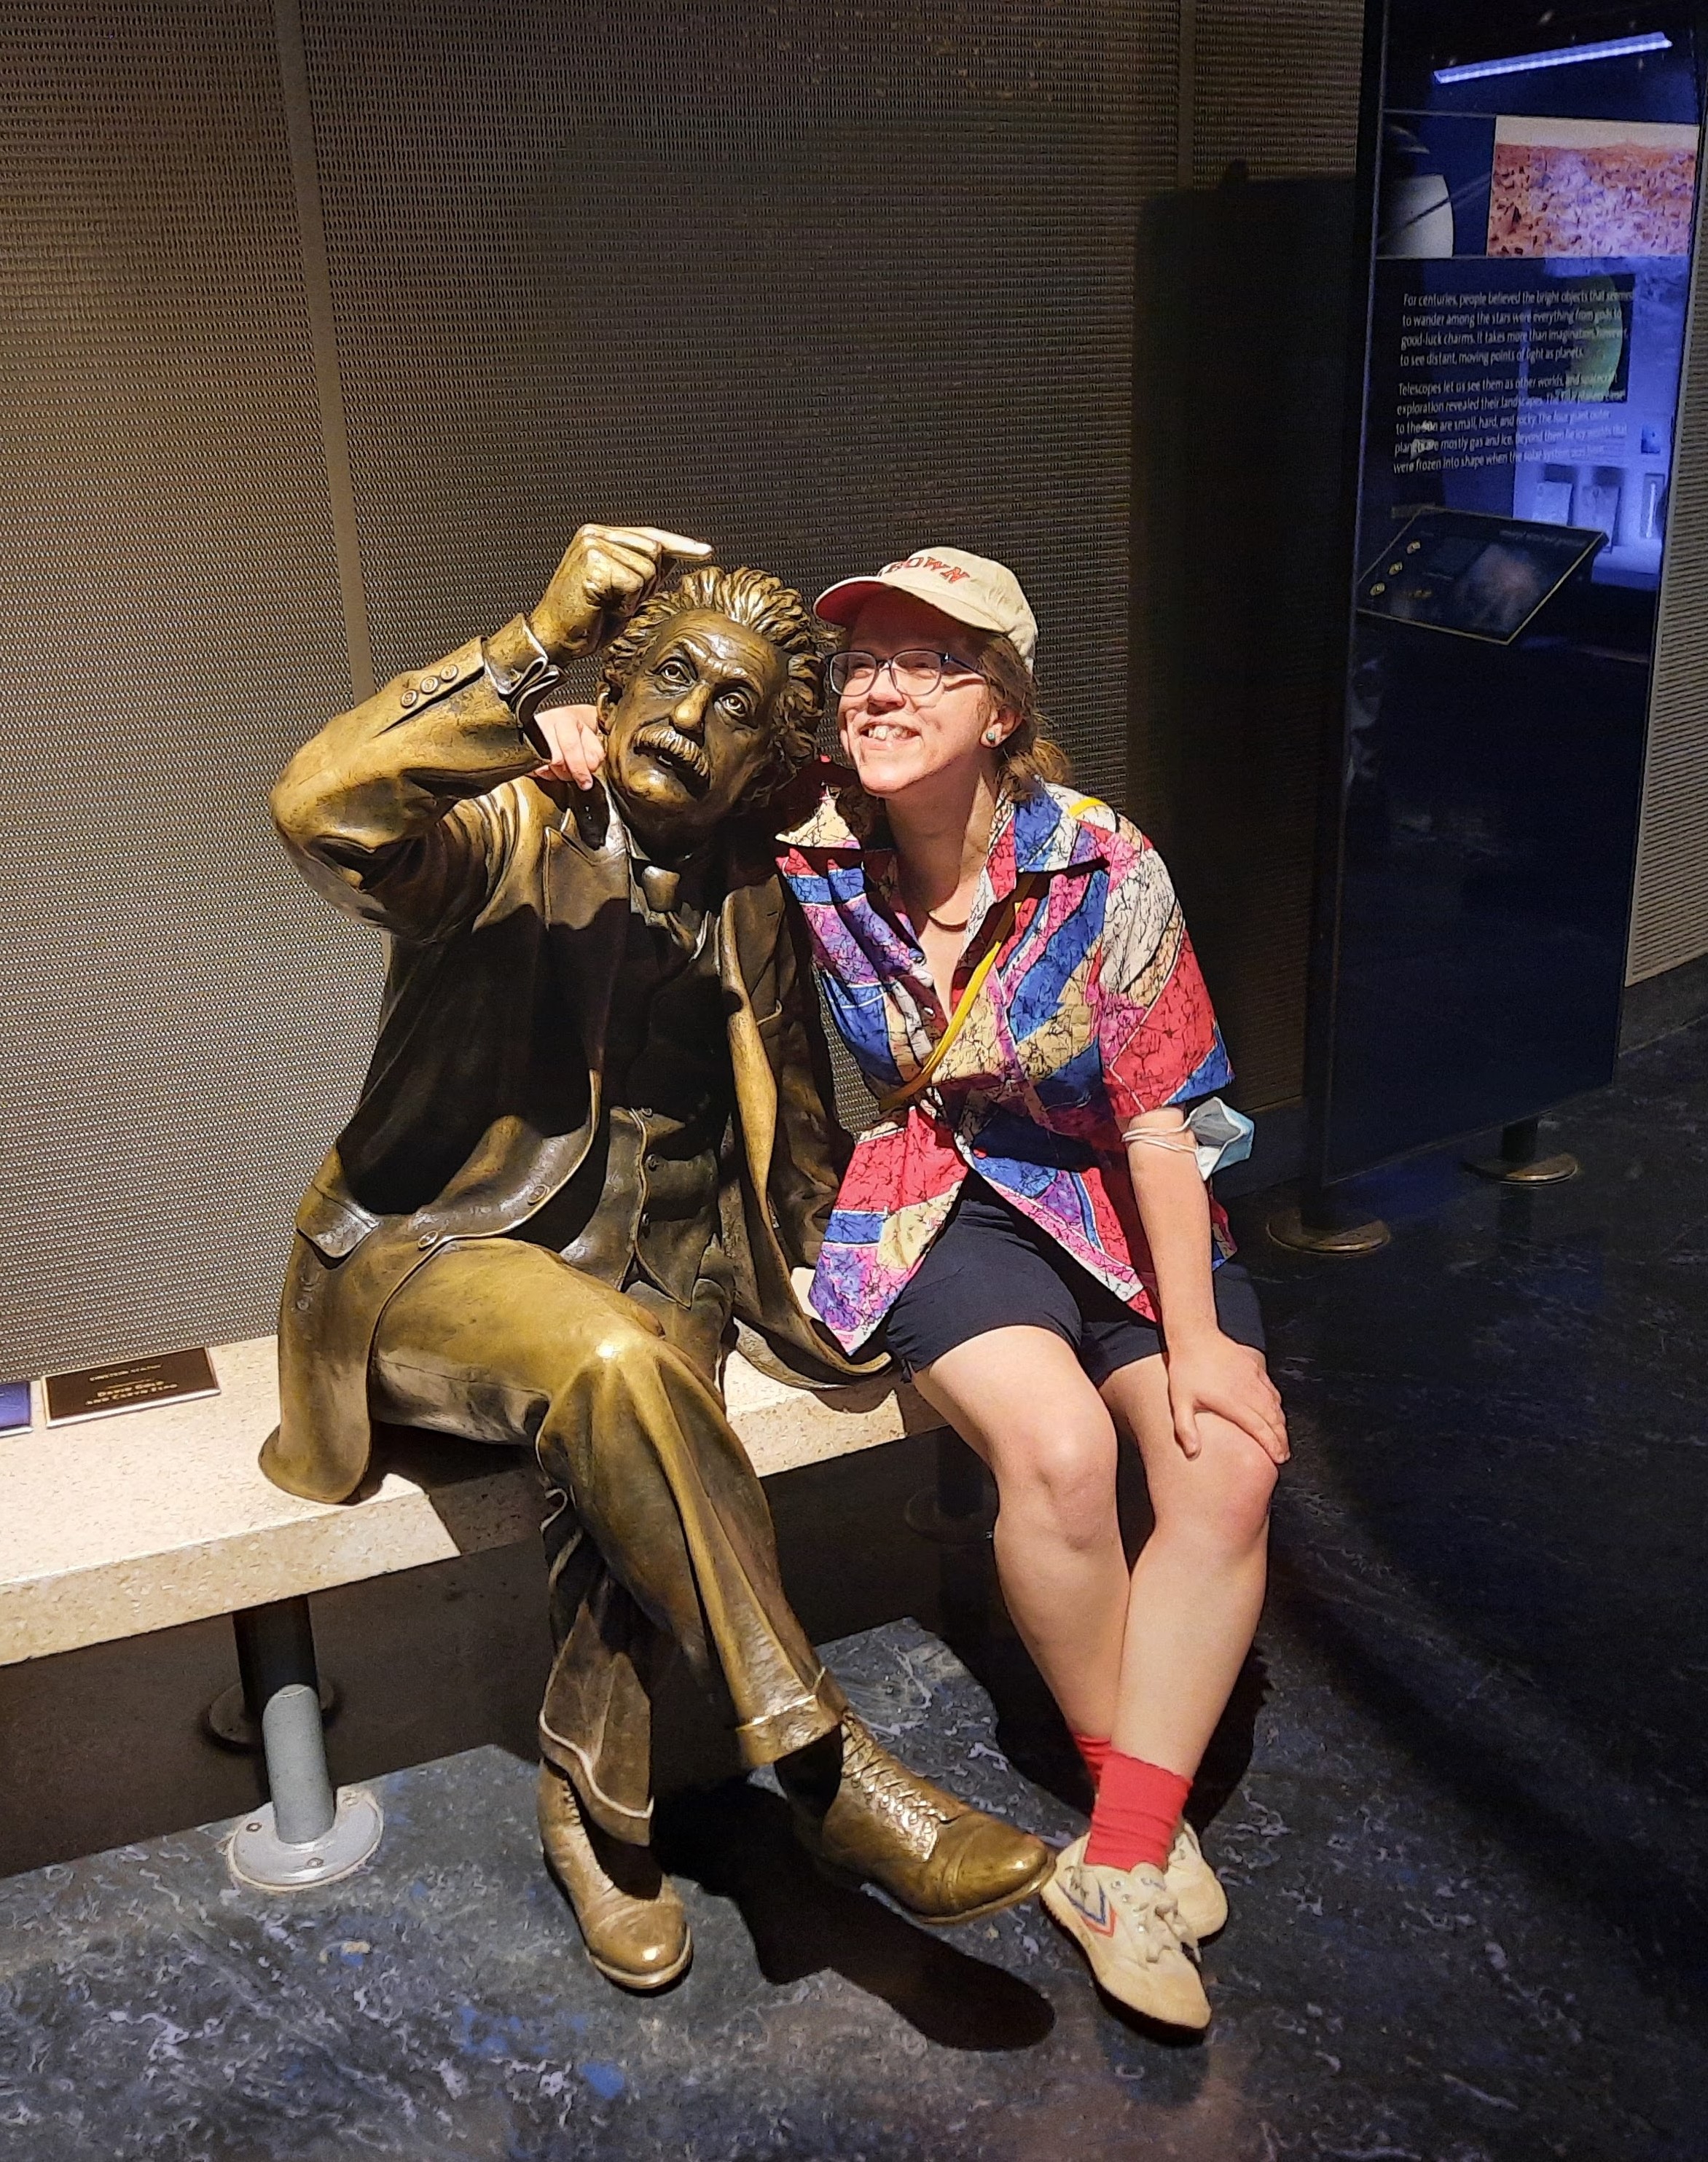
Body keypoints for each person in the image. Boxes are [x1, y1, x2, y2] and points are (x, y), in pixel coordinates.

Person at [262, 522, 1053, 1994]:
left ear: (769, 761)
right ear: (611, 694)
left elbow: (793, 1129)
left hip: (666, 1265)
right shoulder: (500, 829)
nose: (692, 718)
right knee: (614, 1365)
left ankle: (589, 1803)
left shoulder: (759, 891)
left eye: (738, 703)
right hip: (437, 1260)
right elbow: (316, 805)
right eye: (670, 680)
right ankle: (822, 1769)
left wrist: (865, 1275)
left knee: (636, 1436)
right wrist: (524, 648)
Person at [777, 547, 1288, 2030]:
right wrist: (551, 729)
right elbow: (644, 778)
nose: (877, 684)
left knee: (1222, 1460)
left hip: (1118, 1199)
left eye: (924, 660)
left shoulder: (1100, 862)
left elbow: (1155, 1121)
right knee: (1059, 1454)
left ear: (1000, 705)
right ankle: (1136, 1835)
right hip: (941, 1191)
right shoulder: (809, 836)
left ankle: (1111, 1845)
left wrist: (1194, 1344)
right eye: (860, 659)